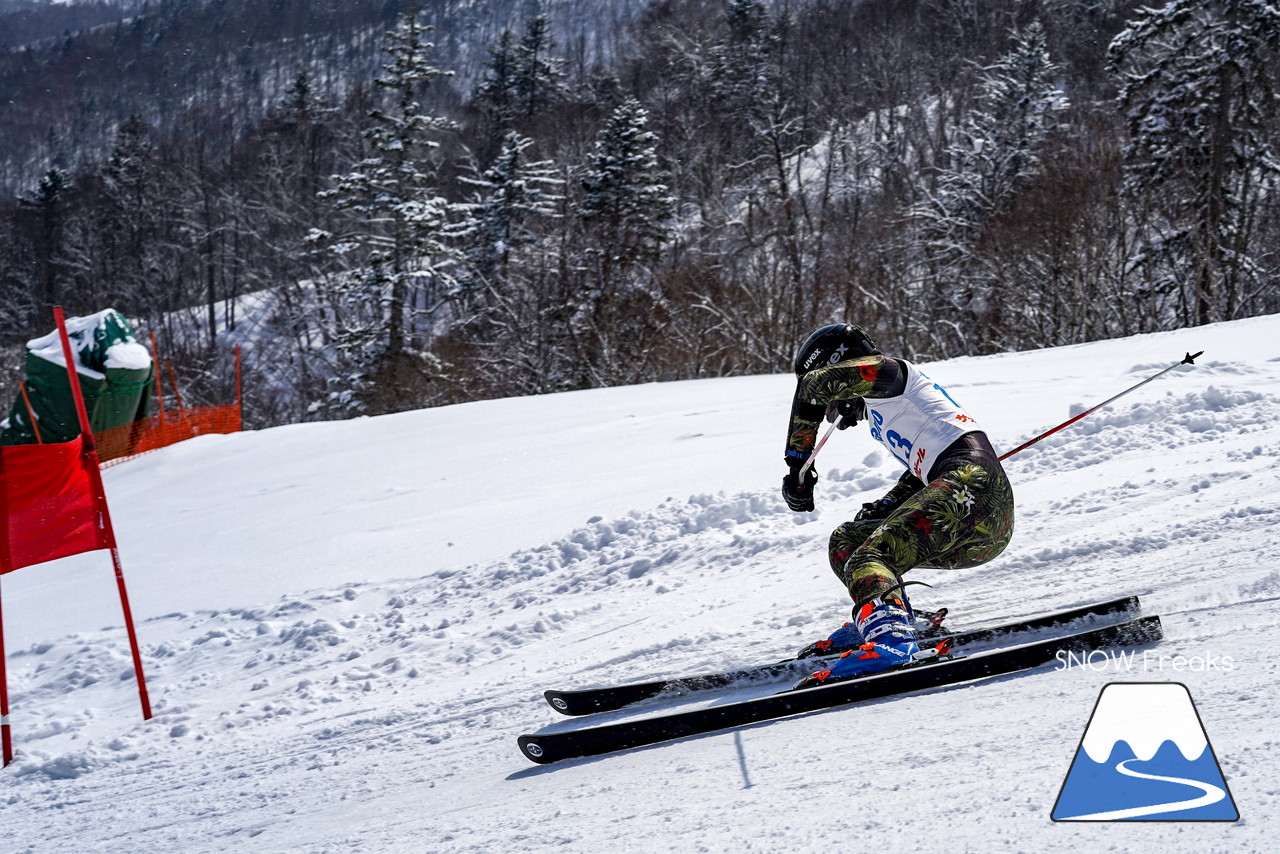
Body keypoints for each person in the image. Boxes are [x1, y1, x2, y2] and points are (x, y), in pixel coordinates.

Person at [781, 323, 1015, 685]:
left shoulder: (892, 373)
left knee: (869, 557)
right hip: (970, 507)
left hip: (974, 489)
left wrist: (797, 462)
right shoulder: (883, 407)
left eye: (832, 405)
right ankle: (892, 618)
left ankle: (892, 643)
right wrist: (884, 508)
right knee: (849, 540)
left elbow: (813, 386)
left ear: (840, 366)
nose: (834, 415)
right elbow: (920, 474)